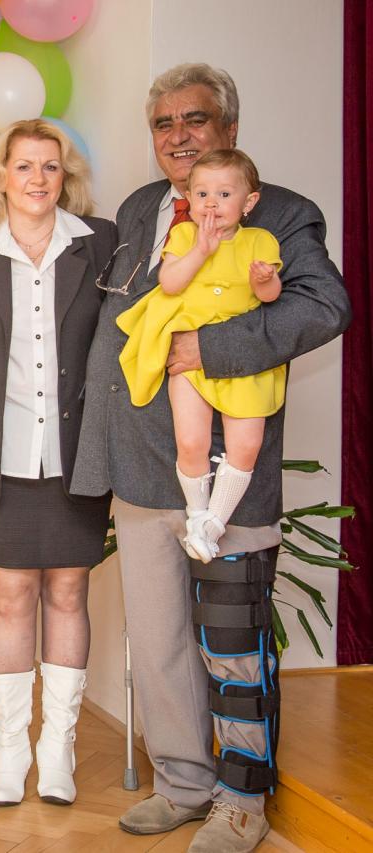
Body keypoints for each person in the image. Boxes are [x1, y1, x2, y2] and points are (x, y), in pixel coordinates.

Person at [71, 64, 348, 853]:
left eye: (195, 119)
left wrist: (208, 349)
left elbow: (324, 305)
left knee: (232, 643)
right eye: (164, 123)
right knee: (160, 645)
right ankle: (185, 784)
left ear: (229, 128)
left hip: (227, 473)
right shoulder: (139, 208)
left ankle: (242, 801)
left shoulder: (280, 212)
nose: (179, 135)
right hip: (141, 465)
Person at [0, 119, 115, 808]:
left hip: (78, 455)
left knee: (68, 592)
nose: (37, 179)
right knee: (10, 595)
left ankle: (58, 748)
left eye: (50, 166)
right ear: (1, 175)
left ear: (64, 176)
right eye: (24, 166)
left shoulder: (100, 242)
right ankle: (10, 748)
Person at [116, 149, 282, 564]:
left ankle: (213, 523)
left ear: (248, 202)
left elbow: (271, 298)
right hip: (188, 359)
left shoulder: (260, 241)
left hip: (242, 363)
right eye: (202, 194)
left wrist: (265, 280)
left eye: (224, 194)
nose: (211, 203)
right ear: (189, 199)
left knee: (246, 444)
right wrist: (201, 252)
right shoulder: (185, 236)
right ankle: (197, 513)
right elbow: (170, 282)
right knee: (190, 440)